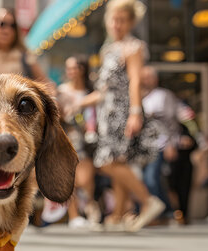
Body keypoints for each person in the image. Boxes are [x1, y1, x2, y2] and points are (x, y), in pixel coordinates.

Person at [79, 0, 164, 232]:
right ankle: (118, 215)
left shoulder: (133, 47)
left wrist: (135, 113)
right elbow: (102, 92)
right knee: (117, 163)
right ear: (107, 20)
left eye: (122, 20)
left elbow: (135, 81)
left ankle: (148, 201)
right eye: (114, 19)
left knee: (106, 162)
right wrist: (78, 103)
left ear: (130, 23)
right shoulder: (107, 50)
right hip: (107, 115)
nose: (117, 24)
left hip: (123, 113)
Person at [140, 66, 198, 222]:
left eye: (149, 76)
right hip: (141, 147)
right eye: (143, 76)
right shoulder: (137, 96)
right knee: (145, 179)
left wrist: (171, 143)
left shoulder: (163, 96)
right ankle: (163, 212)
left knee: (152, 178)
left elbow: (172, 122)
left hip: (159, 145)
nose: (146, 80)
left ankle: (166, 211)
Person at [56, 55, 101, 228]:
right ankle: (74, 216)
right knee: (69, 180)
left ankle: (90, 208)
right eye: (68, 68)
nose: (71, 71)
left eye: (74, 67)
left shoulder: (91, 92)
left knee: (86, 179)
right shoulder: (62, 91)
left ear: (83, 69)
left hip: (88, 141)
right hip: (68, 139)